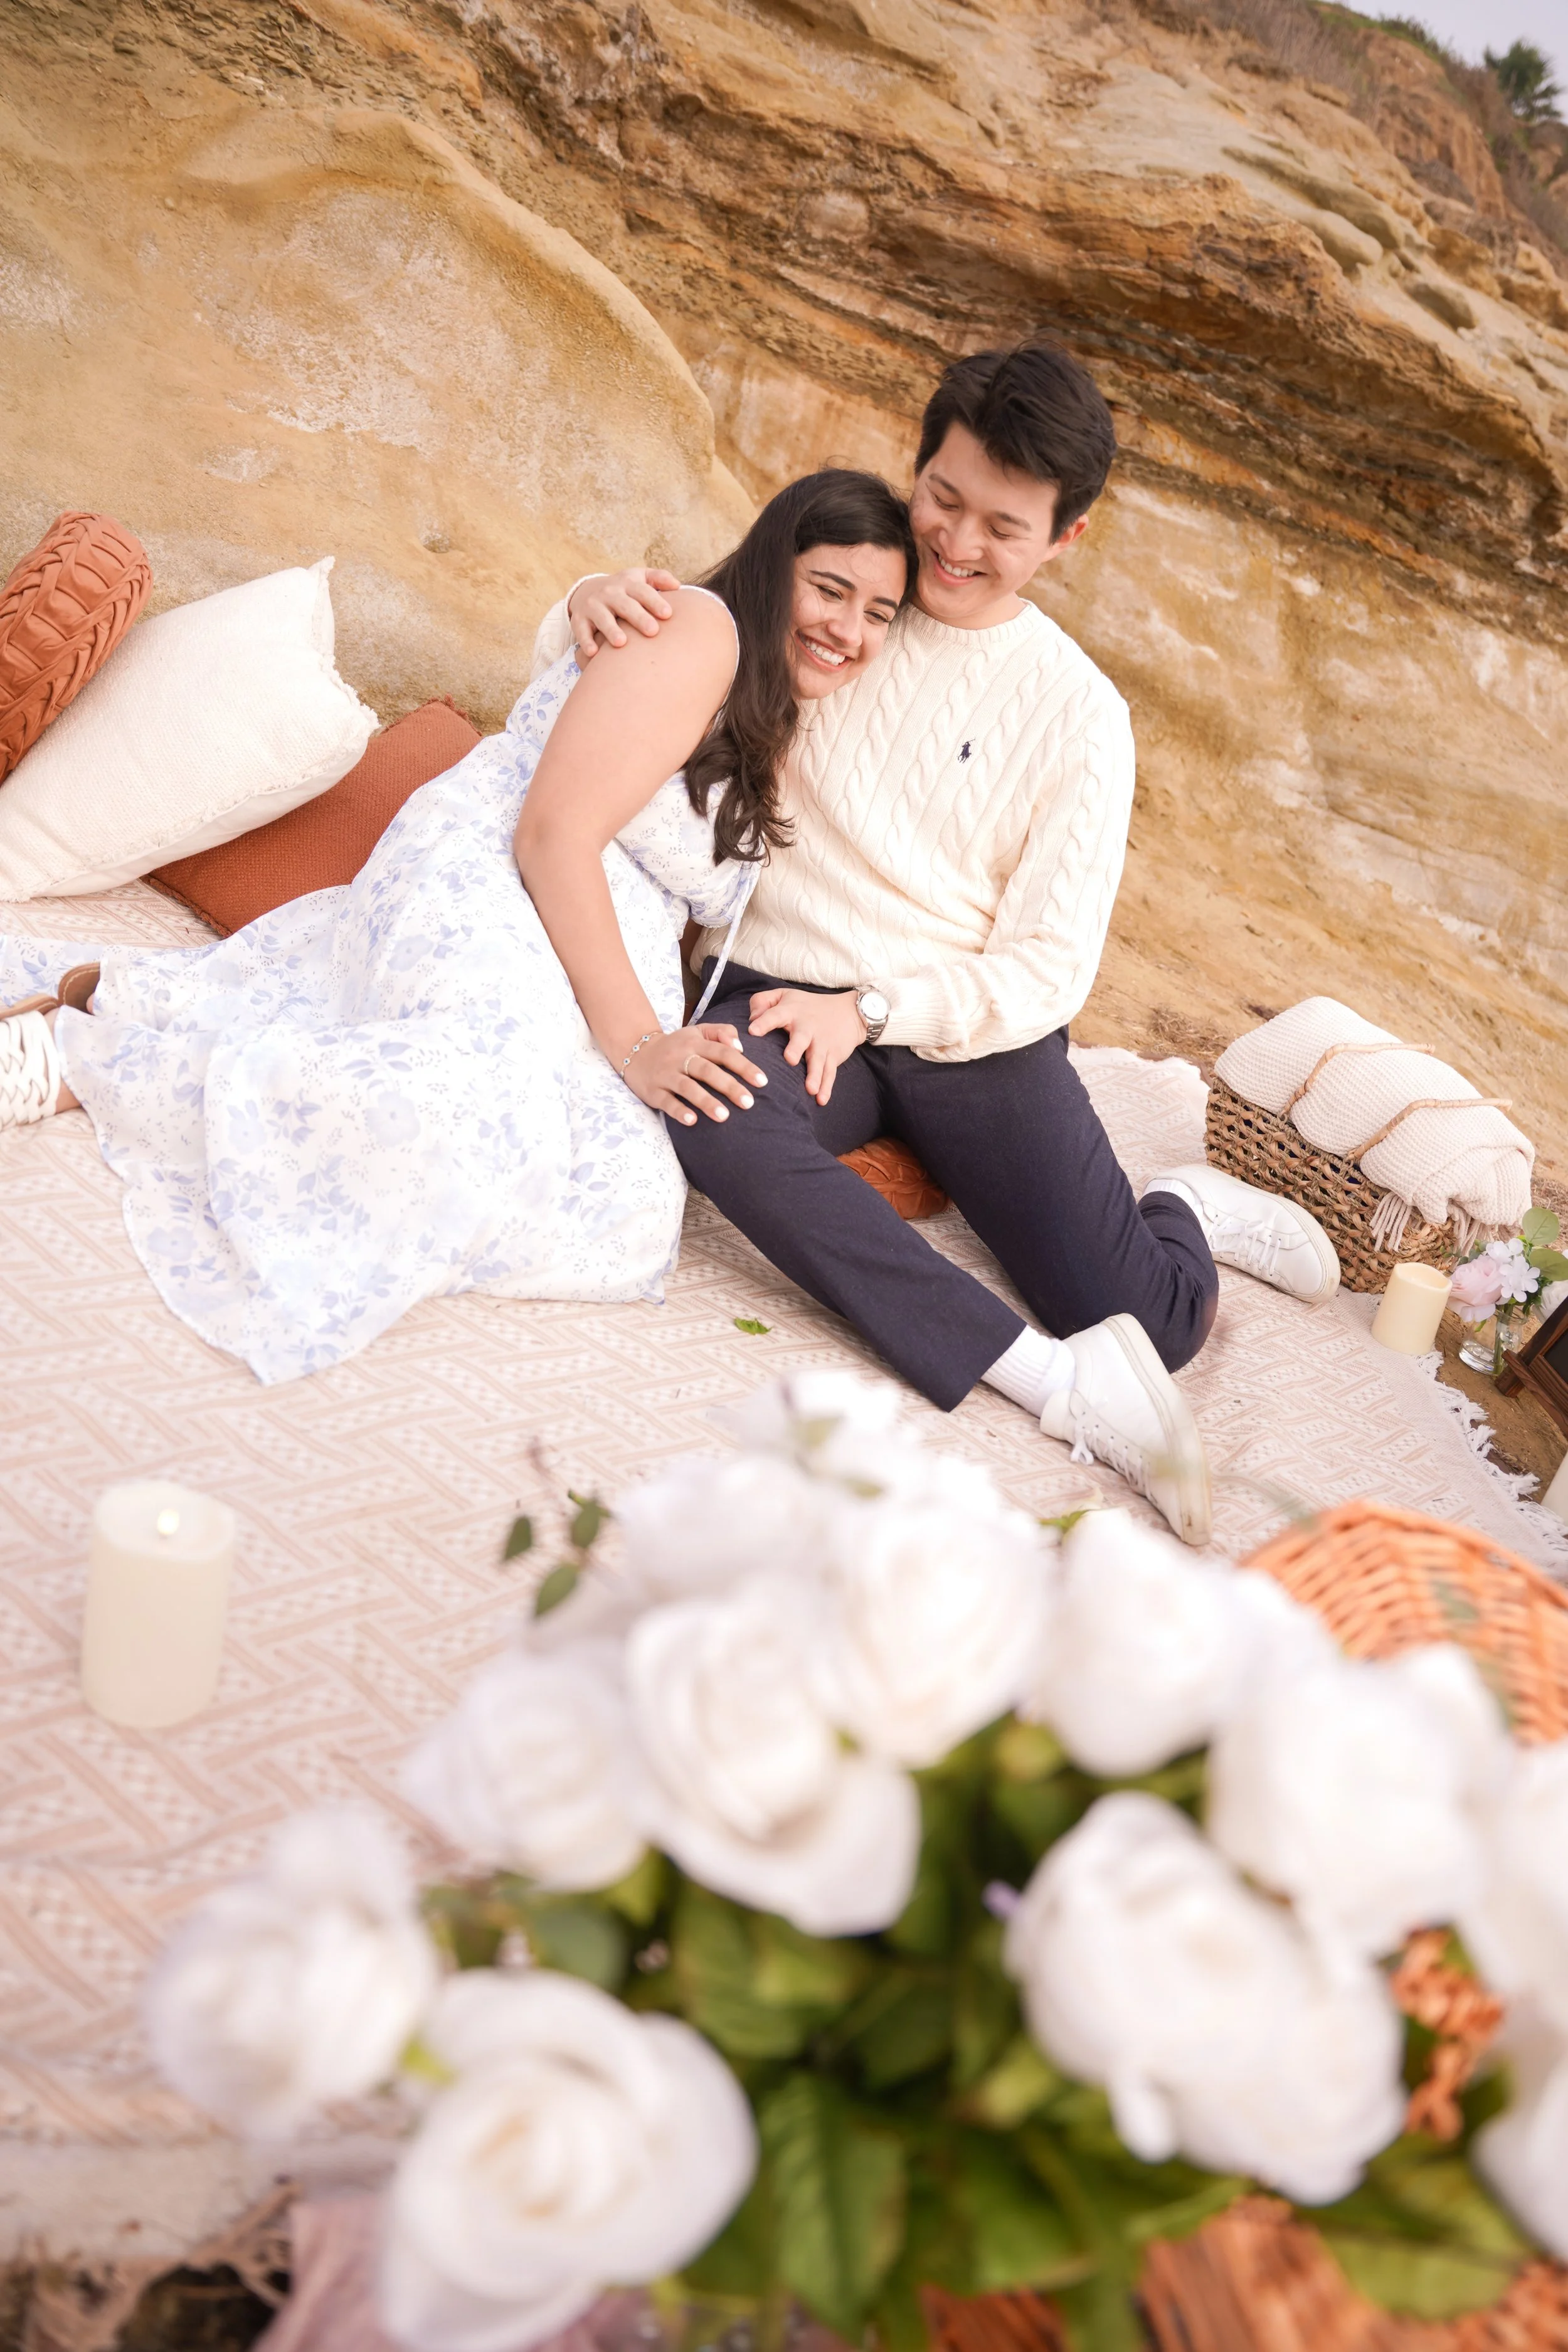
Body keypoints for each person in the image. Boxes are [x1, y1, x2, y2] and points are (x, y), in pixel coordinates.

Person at [539, 341, 1341, 1545]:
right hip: (782, 989)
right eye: (945, 499)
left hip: (970, 1029)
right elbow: (676, 636)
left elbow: (1049, 969)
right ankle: (1046, 1379)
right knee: (709, 1111)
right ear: (916, 469)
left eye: (1003, 529)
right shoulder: (842, 589)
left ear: (1066, 539)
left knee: (1153, 1319)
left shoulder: (1079, 717)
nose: (958, 545)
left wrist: (871, 1008)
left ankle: (1179, 1207)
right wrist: (581, 602)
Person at [0, 470, 914, 1383]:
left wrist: (861, 1006)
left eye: (879, 612)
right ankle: (81, 1060)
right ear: (770, 567)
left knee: (627, 1195)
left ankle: (123, 1001)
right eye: (830, 590)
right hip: (506, 869)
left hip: (581, 932)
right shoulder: (703, 629)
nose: (849, 630)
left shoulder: (776, 709)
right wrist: (641, 1043)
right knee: (471, 1113)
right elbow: (554, 833)